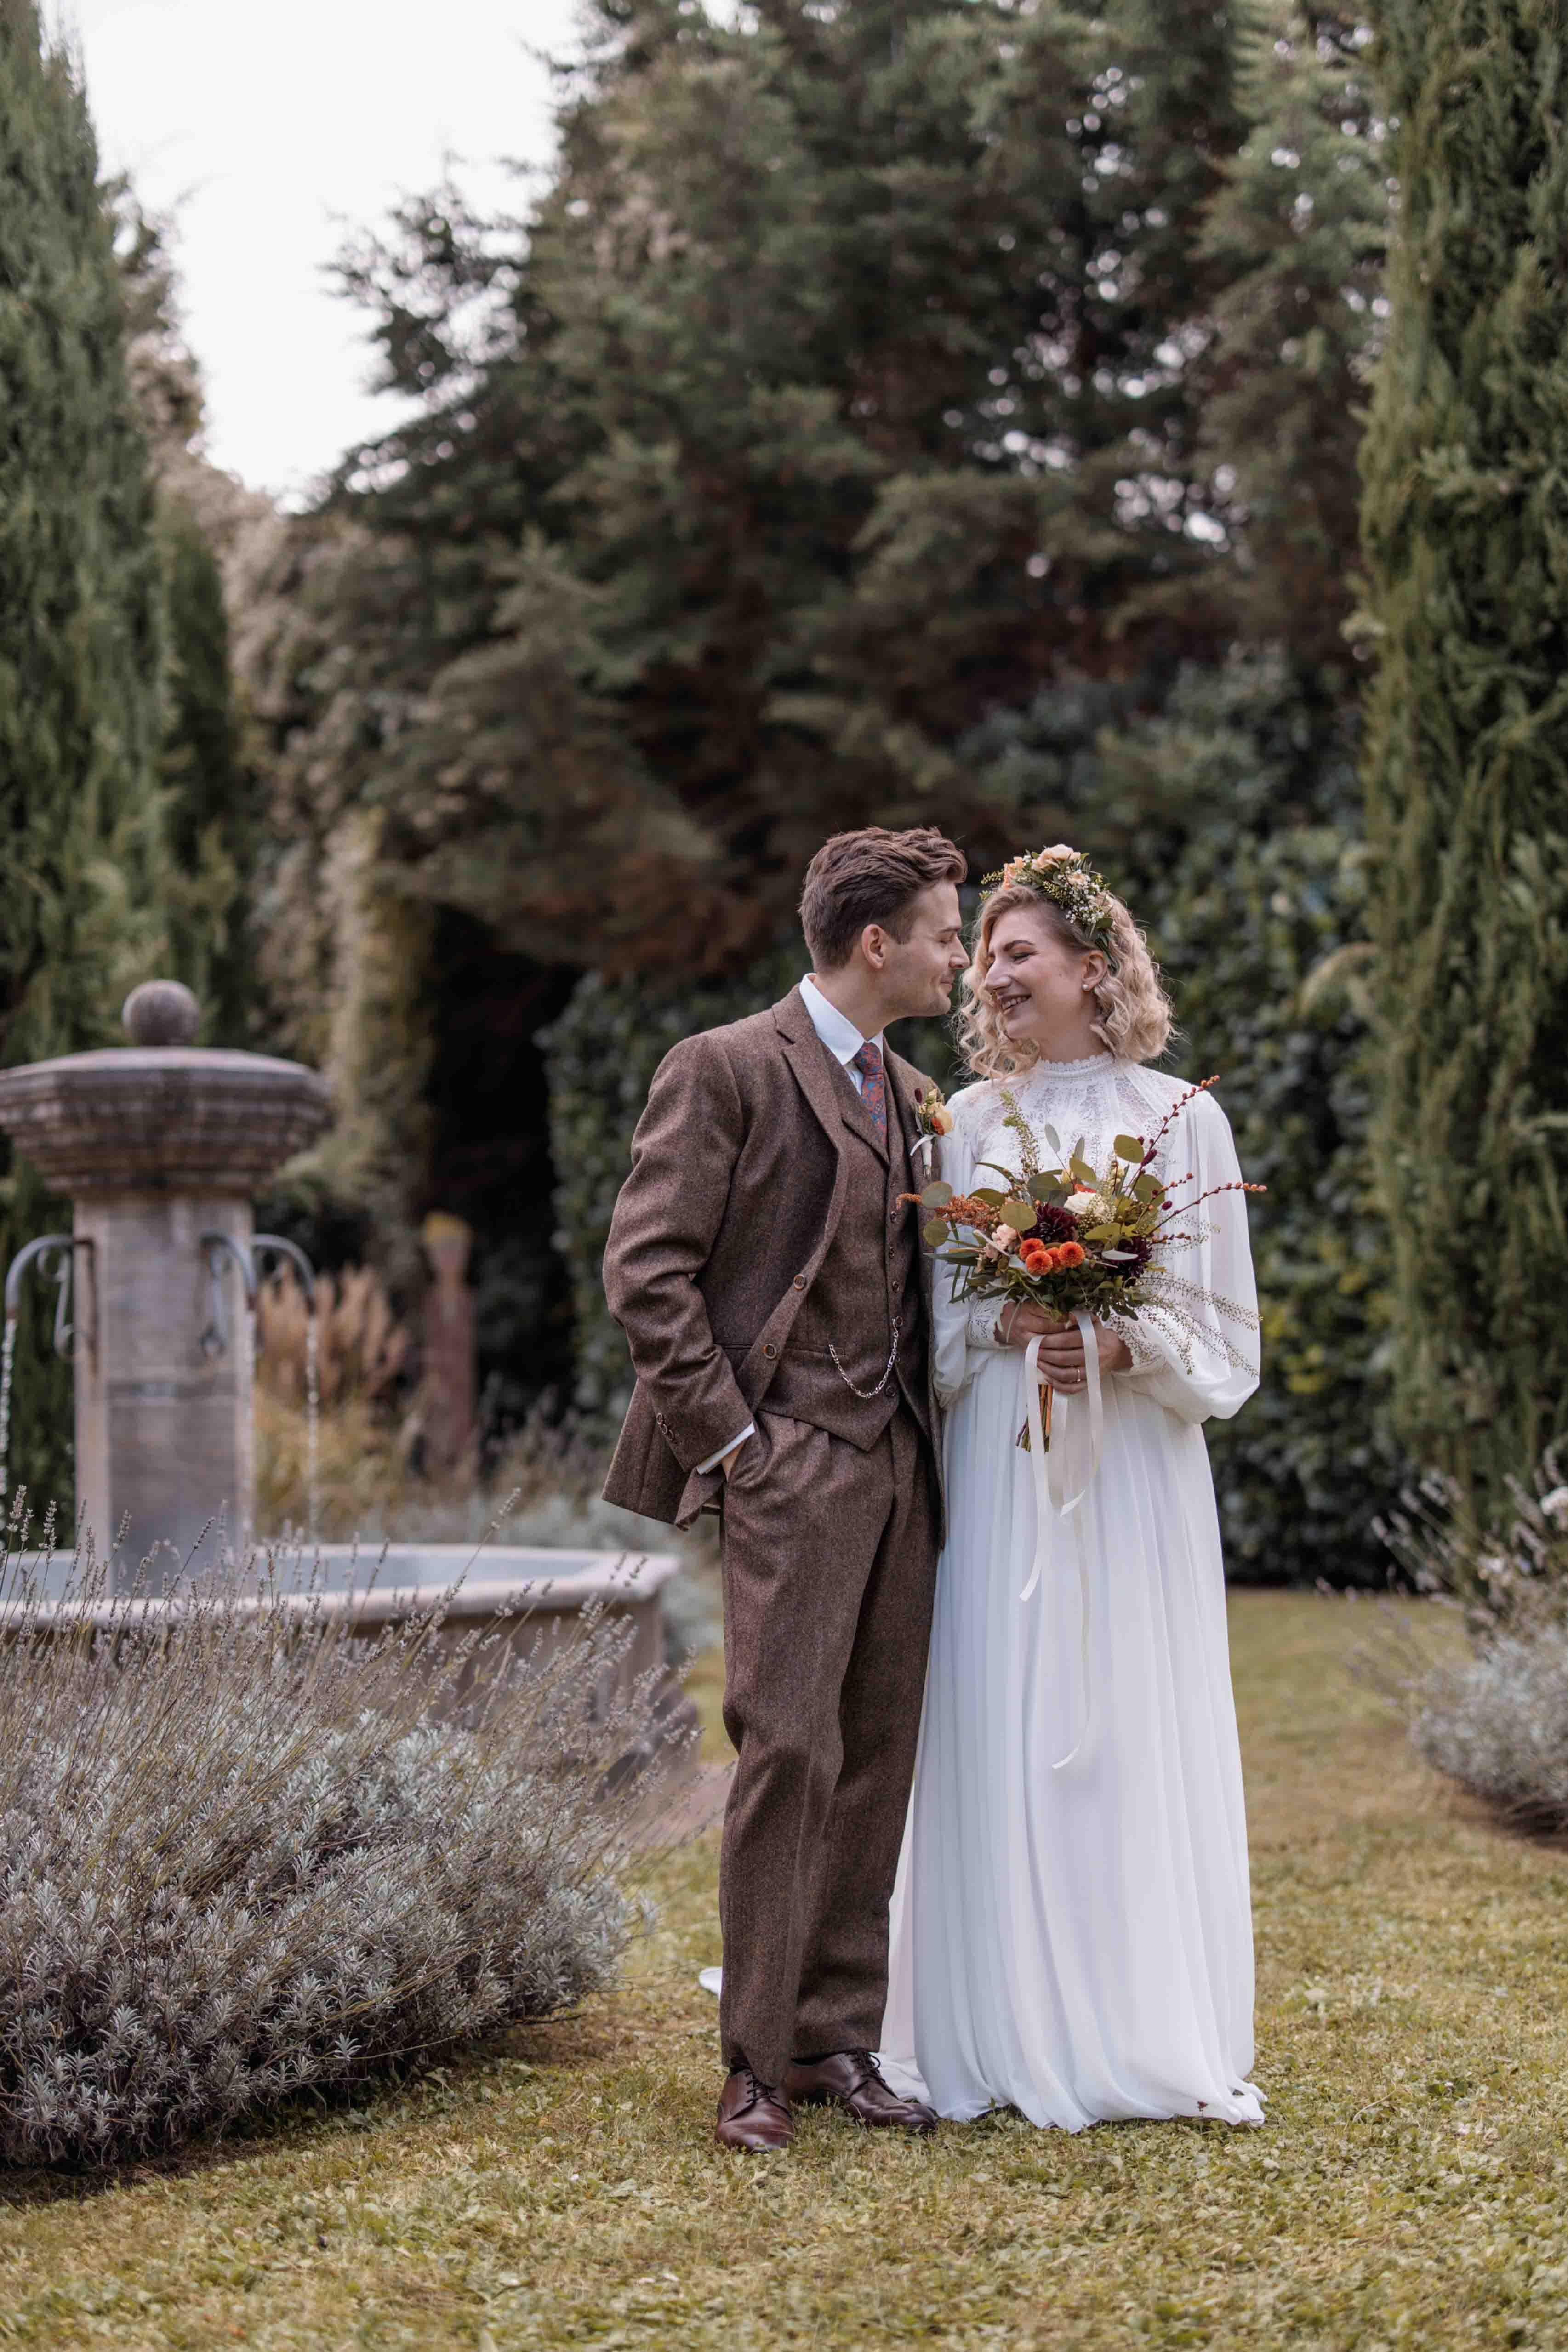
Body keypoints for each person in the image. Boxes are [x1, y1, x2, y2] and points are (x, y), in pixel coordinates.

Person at [879, 845, 1264, 2130]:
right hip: (1002, 1460)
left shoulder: (1182, 1117)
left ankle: (1137, 2013)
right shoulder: (969, 1125)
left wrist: (1118, 1340)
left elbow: (1226, 1341)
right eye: (983, 953)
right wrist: (1007, 1330)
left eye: (1017, 951)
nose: (988, 974)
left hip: (1136, 1472)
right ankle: (994, 2015)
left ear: (1093, 967)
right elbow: (926, 1323)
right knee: (1001, 1695)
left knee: (1123, 1707)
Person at [602, 826, 969, 2152]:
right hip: (789, 1461)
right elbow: (647, 1272)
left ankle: (837, 2041)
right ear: (876, 944)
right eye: (942, 932)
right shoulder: (724, 1068)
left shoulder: (918, 1091)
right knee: (787, 1750)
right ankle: (754, 2059)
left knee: (876, 1755)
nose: (956, 955)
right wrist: (740, 1445)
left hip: (900, 1470)